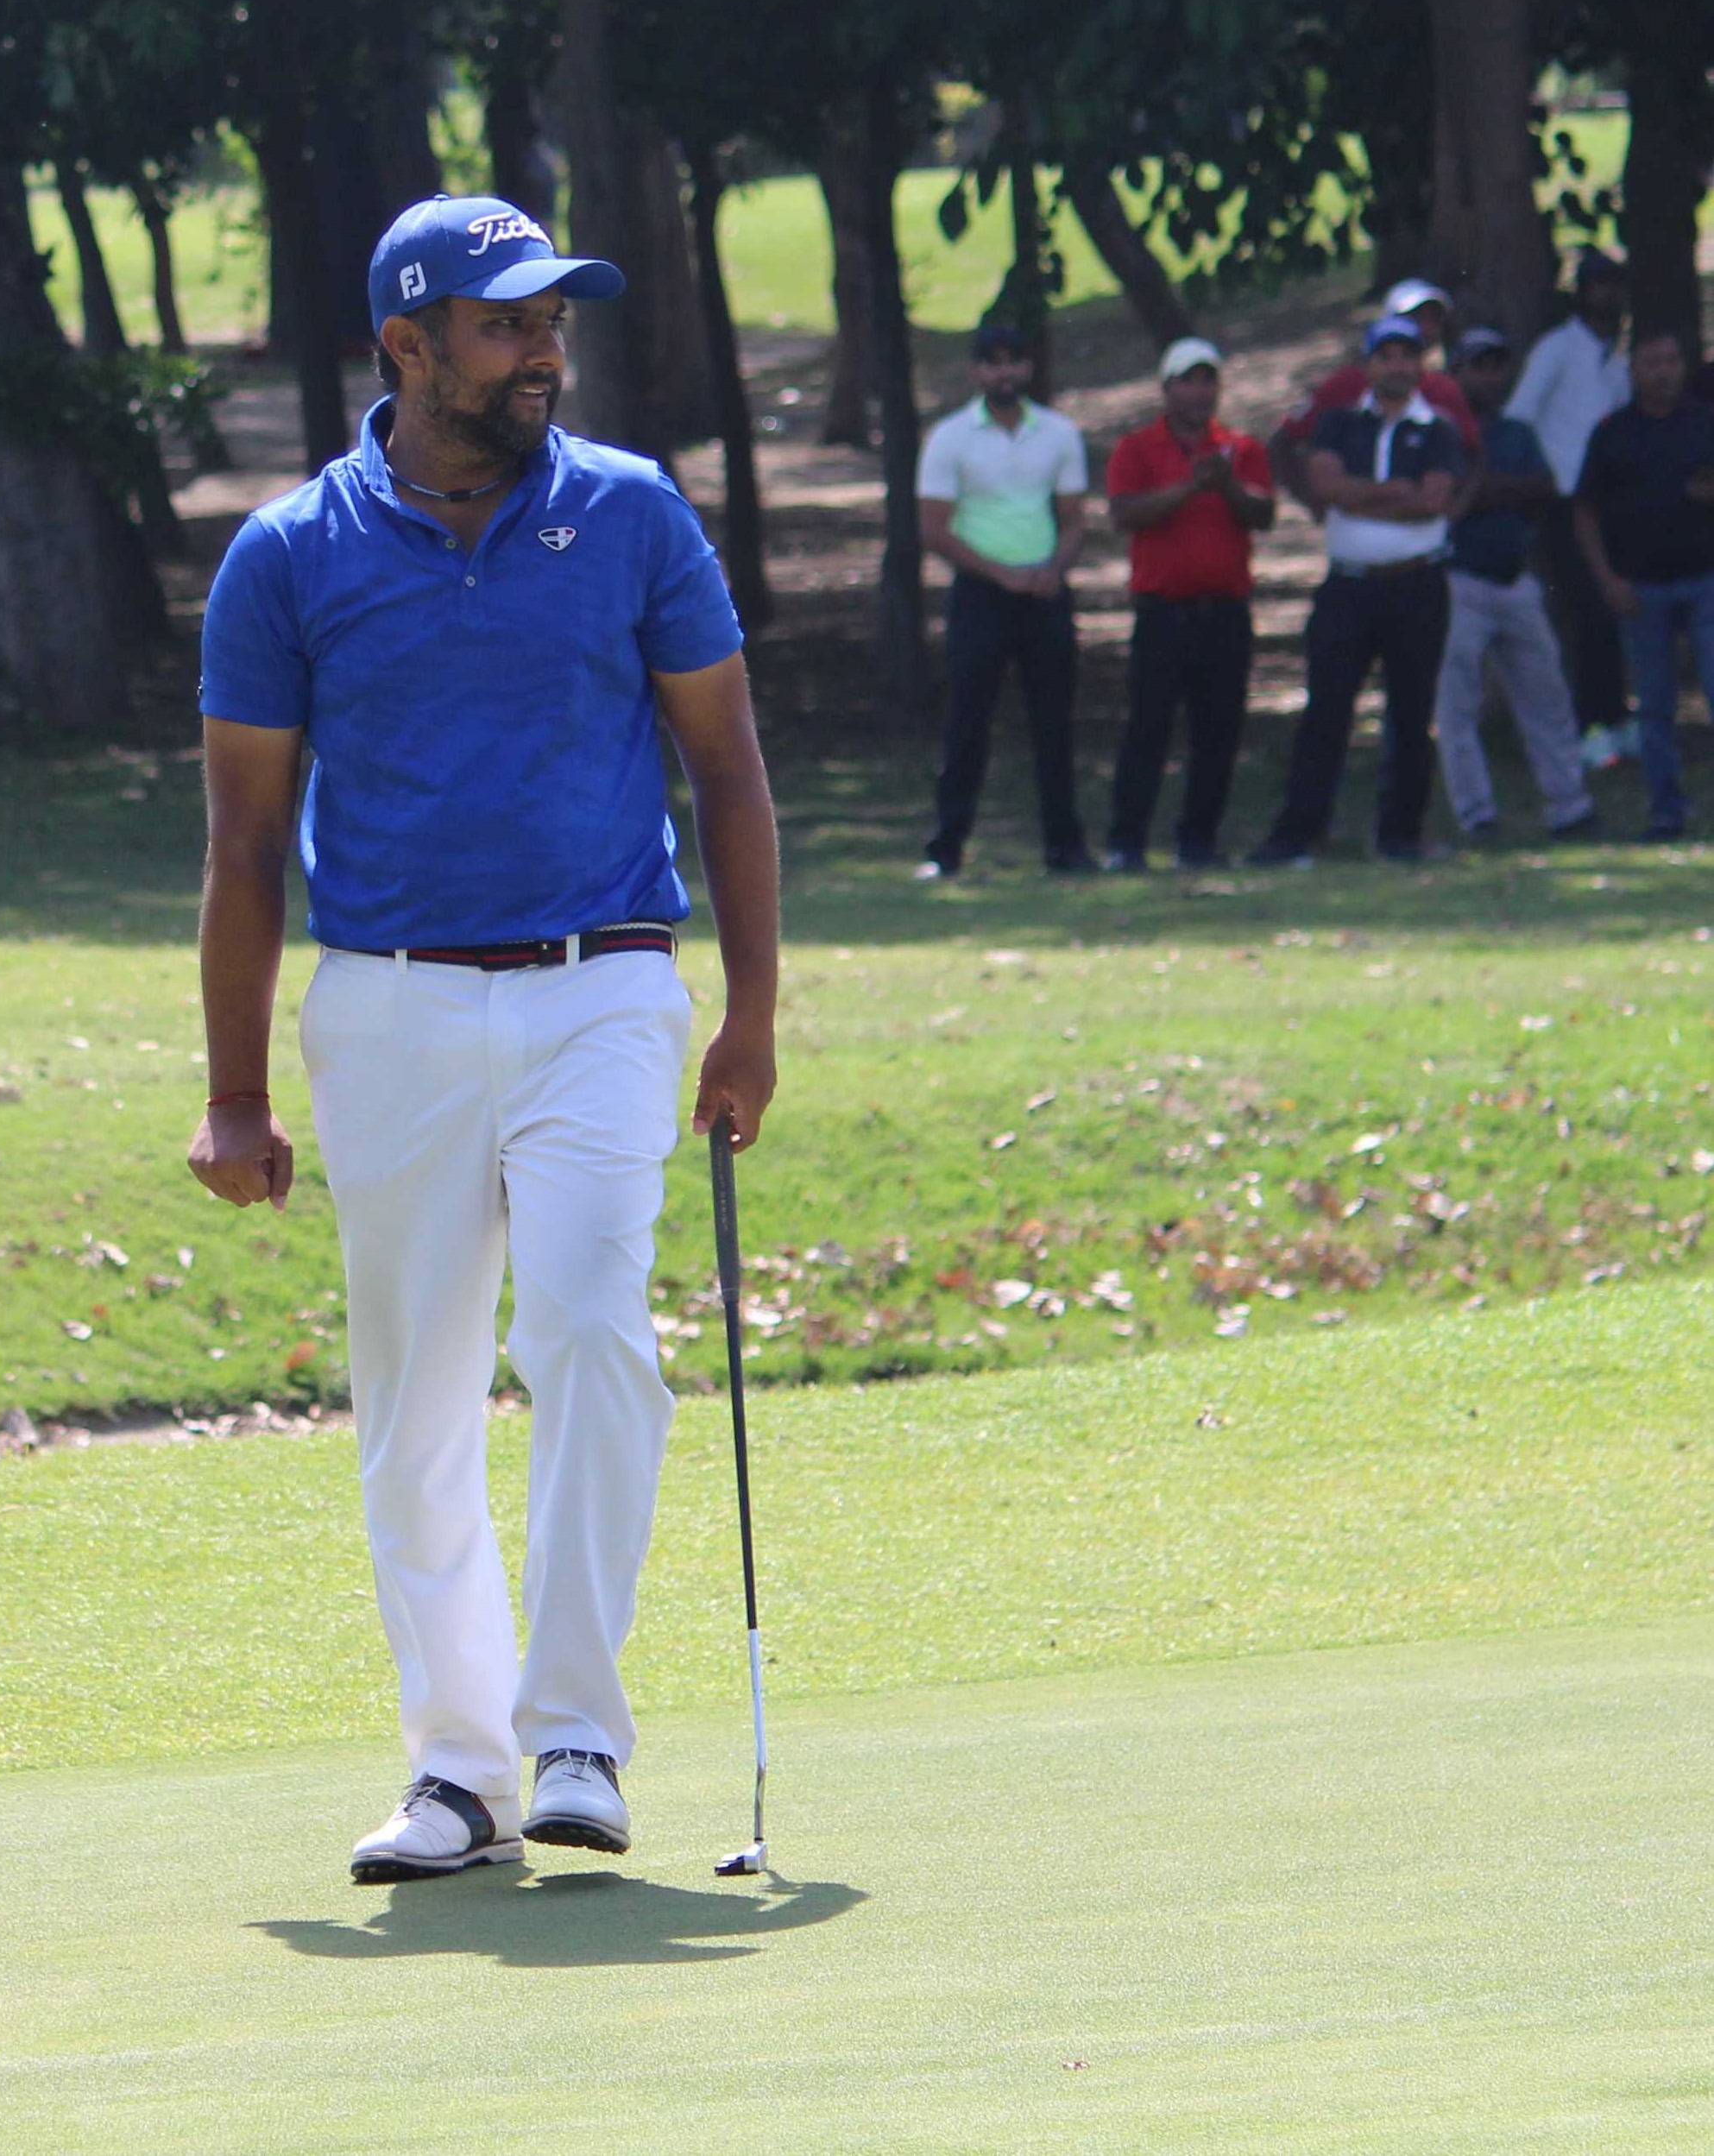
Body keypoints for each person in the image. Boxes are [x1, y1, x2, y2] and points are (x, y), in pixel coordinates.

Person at [187, 195, 781, 1882]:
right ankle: (458, 1771)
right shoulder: (289, 553)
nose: (543, 351)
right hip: (390, 1001)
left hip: (602, 982)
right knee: (416, 1398)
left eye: (550, 322)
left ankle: (576, 1730)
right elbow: (244, 843)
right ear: (408, 344)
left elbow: (728, 772)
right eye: (507, 321)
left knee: (592, 1326)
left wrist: (749, 1012)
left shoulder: (629, 511)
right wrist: (233, 1090)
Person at [1247, 315, 1465, 867]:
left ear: (1420, 364)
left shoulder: (1438, 429)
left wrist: (1360, 494)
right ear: (1368, 365)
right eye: (1385, 356)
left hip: (1416, 583)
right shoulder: (1339, 424)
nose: (1397, 366)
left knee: (1412, 713)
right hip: (1348, 585)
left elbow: (1433, 500)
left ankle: (1400, 835)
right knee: (1326, 711)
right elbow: (1326, 485)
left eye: (1406, 355)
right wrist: (1396, 492)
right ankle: (1299, 834)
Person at [912, 321, 1093, 877]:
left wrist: (1053, 569)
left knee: (1054, 723)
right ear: (975, 371)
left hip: (1044, 593)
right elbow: (934, 528)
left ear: (1029, 368)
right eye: (993, 362)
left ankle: (1065, 848)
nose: (1005, 372)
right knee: (968, 722)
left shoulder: (1059, 434)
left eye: (1014, 360)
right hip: (980, 596)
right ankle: (946, 850)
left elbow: (1073, 518)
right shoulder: (950, 438)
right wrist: (1000, 574)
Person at [1101, 337, 1275, 872]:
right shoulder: (1137, 448)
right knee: (1148, 729)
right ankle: (1127, 842)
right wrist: (1188, 488)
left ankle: (1198, 842)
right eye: (1187, 381)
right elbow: (1125, 513)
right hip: (1163, 612)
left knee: (1217, 733)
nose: (1198, 392)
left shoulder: (1240, 449)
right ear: (1167, 388)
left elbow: (1263, 515)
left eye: (1207, 381)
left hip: (1224, 612)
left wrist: (1227, 486)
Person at [1433, 327, 1597, 842]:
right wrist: (1500, 491)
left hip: (1515, 580)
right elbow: (1450, 499)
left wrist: (1488, 489)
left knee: (1547, 696)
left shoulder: (1516, 433)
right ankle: (1476, 815)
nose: (1490, 376)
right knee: (1457, 706)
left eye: (1497, 366)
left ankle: (1569, 807)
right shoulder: (1440, 433)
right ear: (1455, 373)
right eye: (1478, 366)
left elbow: (1544, 488)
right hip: (1459, 579)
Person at [1575, 325, 1714, 842]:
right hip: (1641, 589)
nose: (1663, 373)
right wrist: (1607, 579)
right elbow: (1584, 511)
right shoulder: (1612, 433)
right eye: (1652, 363)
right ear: (1633, 372)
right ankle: (1666, 812)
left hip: (1706, 582)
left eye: (1671, 361)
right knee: (1655, 708)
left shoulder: (1705, 424)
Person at [1504, 249, 1635, 767]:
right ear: (1581, 293)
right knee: (1587, 616)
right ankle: (1587, 726)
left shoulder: (1618, 363)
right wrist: (1541, 479)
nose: (1608, 294)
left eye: (1614, 285)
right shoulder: (1557, 350)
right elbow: (1519, 418)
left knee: (1614, 613)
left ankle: (1615, 719)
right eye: (1598, 285)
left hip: (1613, 507)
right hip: (1563, 505)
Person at [1270, 279, 1480, 515]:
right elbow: (1283, 441)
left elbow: (1474, 453)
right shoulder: (1348, 383)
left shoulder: (1443, 389)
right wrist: (1314, 504)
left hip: (1423, 530)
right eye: (1414, 318)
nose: (1425, 328)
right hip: (1351, 529)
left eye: (1434, 320)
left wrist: (1456, 511)